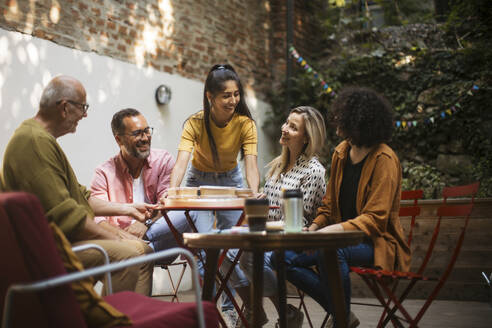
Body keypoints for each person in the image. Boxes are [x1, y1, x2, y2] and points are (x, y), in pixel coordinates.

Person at [1, 75, 155, 296]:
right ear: (65, 108)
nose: (85, 114)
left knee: (144, 250)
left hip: (58, 243)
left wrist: (127, 208)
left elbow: (80, 196)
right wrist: (115, 238)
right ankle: (110, 320)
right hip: (48, 253)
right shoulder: (35, 142)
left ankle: (130, 317)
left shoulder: (40, 138)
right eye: (83, 107)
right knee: (129, 256)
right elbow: (66, 215)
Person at [283, 87, 411, 328]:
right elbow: (329, 204)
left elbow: (375, 219)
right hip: (336, 240)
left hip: (375, 242)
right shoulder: (341, 152)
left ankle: (339, 321)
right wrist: (314, 228)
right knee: (284, 257)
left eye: (343, 118)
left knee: (332, 251)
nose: (337, 122)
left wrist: (329, 233)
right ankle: (342, 314)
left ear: (359, 122)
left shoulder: (385, 159)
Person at [160, 64, 260, 325]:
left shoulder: (245, 124)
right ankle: (213, 310)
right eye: (226, 95)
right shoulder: (194, 123)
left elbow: (250, 163)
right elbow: (181, 162)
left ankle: (234, 307)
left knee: (232, 250)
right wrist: (172, 191)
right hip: (199, 181)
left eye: (236, 94)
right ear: (210, 97)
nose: (233, 100)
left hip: (231, 180)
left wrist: (254, 193)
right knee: (204, 248)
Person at [227, 106, 327, 327]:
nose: (284, 129)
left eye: (293, 127)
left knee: (248, 257)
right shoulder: (277, 166)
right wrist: (261, 203)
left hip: (296, 239)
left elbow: (298, 221)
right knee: (225, 254)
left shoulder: (313, 171)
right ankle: (255, 310)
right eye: (286, 123)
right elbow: (271, 209)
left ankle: (284, 312)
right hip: (268, 233)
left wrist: (263, 229)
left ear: (307, 137)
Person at [90, 108, 191, 254]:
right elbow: (99, 219)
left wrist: (146, 224)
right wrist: (123, 237)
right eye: (137, 133)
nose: (145, 138)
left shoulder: (163, 160)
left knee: (188, 212)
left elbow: (167, 203)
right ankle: (138, 249)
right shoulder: (103, 173)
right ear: (119, 140)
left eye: (147, 131)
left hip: (157, 240)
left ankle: (139, 247)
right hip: (120, 244)